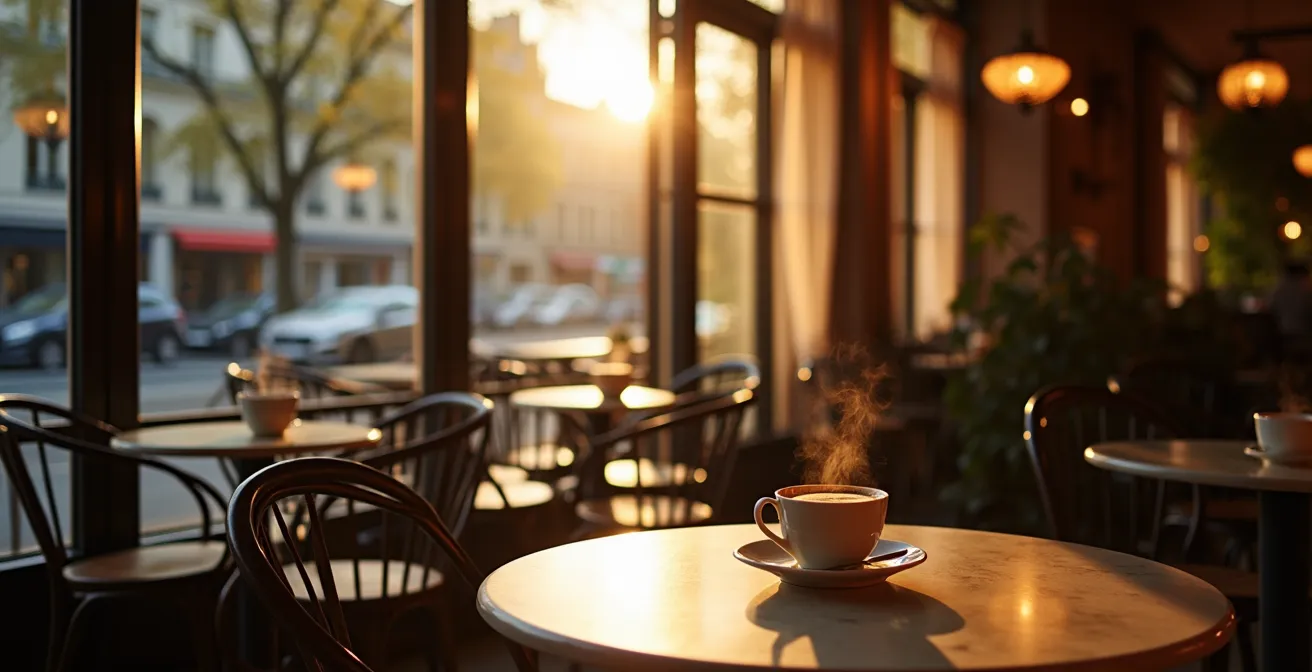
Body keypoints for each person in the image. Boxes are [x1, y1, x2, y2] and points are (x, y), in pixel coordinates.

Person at [1269, 261, 1312, 337]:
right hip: (1304, 334)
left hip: (1284, 334)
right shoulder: (1305, 290)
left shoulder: (1279, 290)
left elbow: (1271, 307)